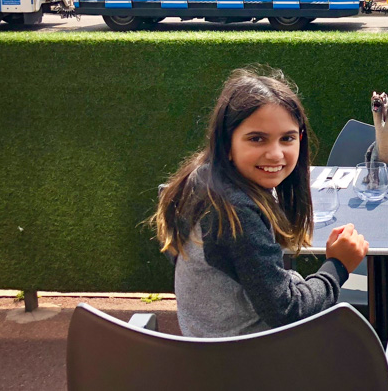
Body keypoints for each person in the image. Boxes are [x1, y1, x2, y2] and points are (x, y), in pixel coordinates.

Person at [152, 66, 369, 338]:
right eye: (257, 139)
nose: (276, 153)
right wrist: (337, 265)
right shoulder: (235, 212)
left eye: (287, 138)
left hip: (210, 358)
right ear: (226, 143)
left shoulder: (201, 181)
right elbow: (287, 309)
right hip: (255, 364)